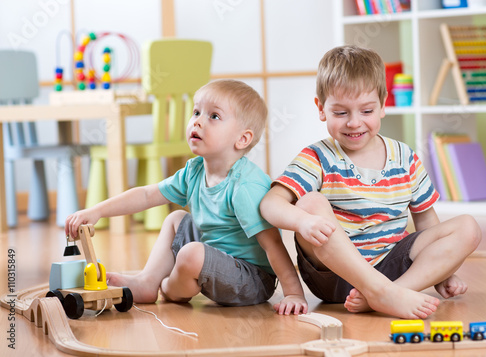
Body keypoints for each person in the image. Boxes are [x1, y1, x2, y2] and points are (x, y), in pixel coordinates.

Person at [259, 45, 482, 319]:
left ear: (383, 105)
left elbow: (426, 222)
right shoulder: (317, 156)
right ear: (321, 109)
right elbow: (270, 205)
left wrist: (443, 272)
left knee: (468, 227)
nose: (354, 123)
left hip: (392, 266)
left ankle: (387, 293)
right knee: (310, 202)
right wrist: (303, 222)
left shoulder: (405, 157)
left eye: (366, 111)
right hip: (335, 274)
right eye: (341, 113)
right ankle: (381, 292)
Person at [65, 79, 307, 315]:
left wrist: (293, 293)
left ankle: (172, 288)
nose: (198, 122)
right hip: (214, 255)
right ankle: (148, 281)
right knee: (177, 219)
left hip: (250, 279)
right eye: (196, 112)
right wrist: (96, 211)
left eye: (214, 116)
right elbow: (148, 195)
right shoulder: (194, 171)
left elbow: (273, 244)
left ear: (242, 139)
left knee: (192, 252)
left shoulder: (245, 186)